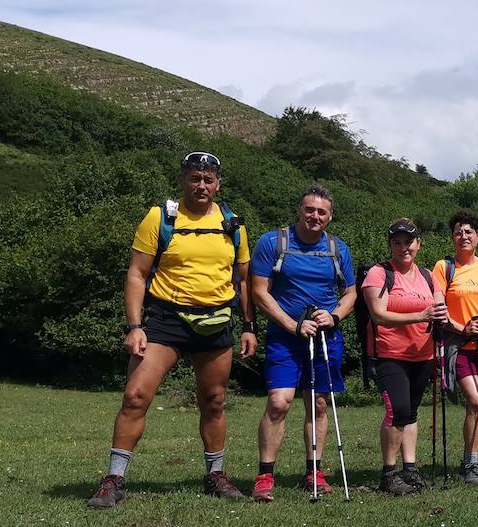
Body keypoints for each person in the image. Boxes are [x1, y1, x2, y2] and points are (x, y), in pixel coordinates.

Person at [87, 151, 257, 508]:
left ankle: (216, 475)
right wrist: (134, 326)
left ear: (218, 184)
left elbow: (243, 281)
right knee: (135, 396)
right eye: (194, 178)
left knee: (214, 401)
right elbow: (136, 274)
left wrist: (249, 326)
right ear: (182, 180)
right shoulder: (159, 218)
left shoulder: (233, 224)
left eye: (208, 179)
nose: (201, 185)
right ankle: (114, 479)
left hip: (215, 322)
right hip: (165, 320)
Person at [248, 187, 357, 501]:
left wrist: (334, 317)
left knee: (319, 403)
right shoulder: (273, 243)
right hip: (286, 336)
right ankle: (265, 476)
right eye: (309, 210)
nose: (315, 217)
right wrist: (292, 325)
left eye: (322, 212)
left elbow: (350, 293)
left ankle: (314, 471)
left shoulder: (338, 249)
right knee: (279, 402)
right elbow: (259, 292)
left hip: (325, 337)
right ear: (299, 210)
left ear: (330, 216)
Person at [361, 219, 448, 496]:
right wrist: (421, 315)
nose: (403, 248)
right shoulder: (379, 273)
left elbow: (439, 305)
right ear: (390, 245)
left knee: (410, 412)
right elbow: (378, 314)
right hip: (389, 355)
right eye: (396, 243)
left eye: (408, 242)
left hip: (423, 354)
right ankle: (389, 473)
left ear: (418, 244)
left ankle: (409, 468)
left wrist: (442, 317)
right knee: (396, 410)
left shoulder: (426, 275)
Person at [432, 210, 478, 485]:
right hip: (459, 345)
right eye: (458, 232)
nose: (463, 236)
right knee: (476, 401)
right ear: (452, 238)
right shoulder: (444, 267)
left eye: (468, 232)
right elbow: (439, 309)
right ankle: (469, 464)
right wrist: (463, 327)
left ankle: (472, 461)